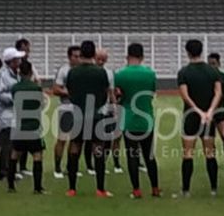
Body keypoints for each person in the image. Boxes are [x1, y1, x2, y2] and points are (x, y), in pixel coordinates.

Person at [65, 40, 113, 198]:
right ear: (93, 54)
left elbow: (70, 92)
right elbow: (104, 93)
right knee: (98, 150)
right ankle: (100, 189)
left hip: (78, 114)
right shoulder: (100, 72)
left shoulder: (73, 72)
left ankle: (72, 188)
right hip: (96, 115)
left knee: (74, 149)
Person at [177, 39, 222, 197]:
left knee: (187, 153)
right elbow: (218, 93)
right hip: (208, 118)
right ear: (201, 51)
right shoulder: (212, 71)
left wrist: (198, 111)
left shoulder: (184, 72)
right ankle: (214, 188)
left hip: (191, 116)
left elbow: (185, 95)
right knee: (210, 153)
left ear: (187, 52)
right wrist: (209, 111)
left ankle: (186, 190)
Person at [114, 43, 160, 198]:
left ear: (127, 56)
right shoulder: (150, 73)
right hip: (146, 117)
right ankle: (154, 188)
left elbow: (119, 95)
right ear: (142, 56)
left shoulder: (120, 74)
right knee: (149, 155)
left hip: (129, 119)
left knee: (132, 155)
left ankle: (136, 190)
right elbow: (152, 92)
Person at [7, 60, 46, 194]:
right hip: (33, 126)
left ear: (19, 72)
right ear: (30, 72)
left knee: (15, 154)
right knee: (37, 155)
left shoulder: (15, 88)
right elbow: (40, 105)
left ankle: (11, 186)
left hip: (19, 126)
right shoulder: (36, 88)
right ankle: (37, 187)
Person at [0, 47, 26, 181]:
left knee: (15, 144)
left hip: (16, 114)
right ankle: (4, 171)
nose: (20, 61)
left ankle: (12, 170)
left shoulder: (17, 75)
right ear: (11, 61)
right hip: (6, 115)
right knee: (7, 144)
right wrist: (15, 98)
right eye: (17, 59)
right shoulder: (2, 75)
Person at [52, 45, 81, 179]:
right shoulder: (64, 71)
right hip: (66, 108)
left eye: (79, 56)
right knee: (62, 138)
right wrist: (70, 92)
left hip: (80, 108)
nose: (78, 58)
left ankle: (71, 167)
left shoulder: (81, 70)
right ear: (69, 57)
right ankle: (57, 167)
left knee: (76, 140)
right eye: (75, 56)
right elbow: (56, 89)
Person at [15, 38, 40, 177]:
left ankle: (22, 166)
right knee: (19, 137)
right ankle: (14, 168)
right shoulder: (17, 66)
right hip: (21, 104)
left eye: (28, 48)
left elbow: (37, 79)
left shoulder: (29, 65)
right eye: (25, 48)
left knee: (26, 135)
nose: (27, 51)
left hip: (29, 103)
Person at [207, 52, 224, 171]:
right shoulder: (206, 77)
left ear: (219, 63)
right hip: (208, 111)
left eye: (213, 63)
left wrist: (219, 101)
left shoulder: (223, 77)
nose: (212, 66)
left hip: (220, 110)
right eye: (209, 64)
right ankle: (212, 161)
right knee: (210, 138)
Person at [95, 48, 122, 175]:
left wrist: (115, 108)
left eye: (103, 59)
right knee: (93, 140)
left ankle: (103, 162)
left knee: (107, 139)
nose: (100, 61)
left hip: (106, 110)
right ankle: (93, 165)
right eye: (98, 59)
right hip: (92, 110)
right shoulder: (91, 72)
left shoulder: (109, 73)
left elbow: (111, 92)